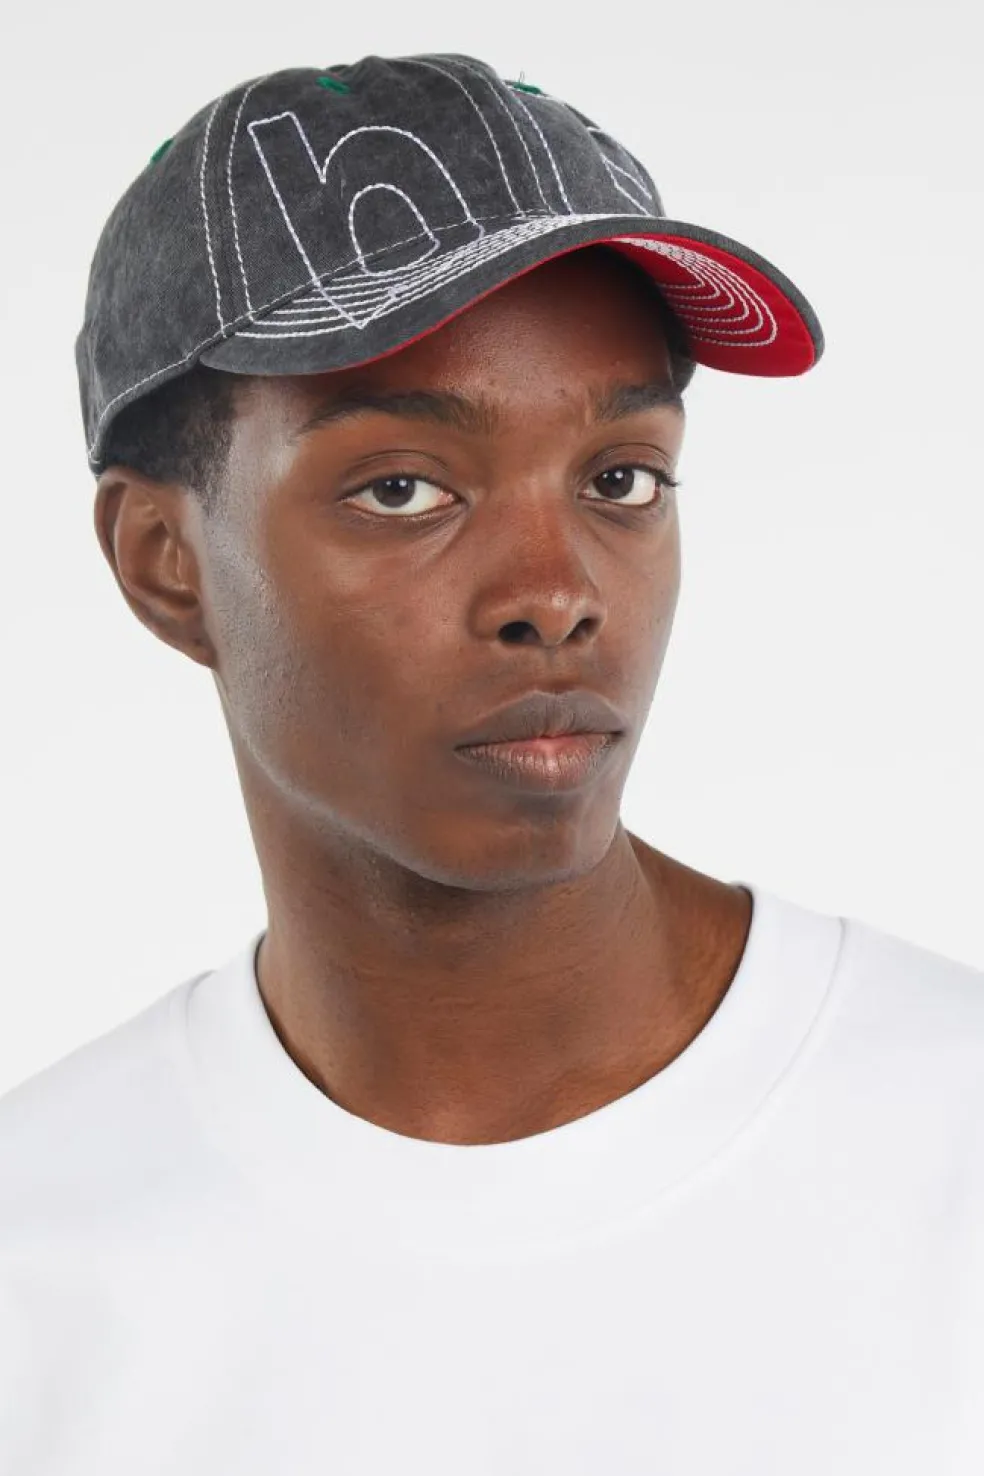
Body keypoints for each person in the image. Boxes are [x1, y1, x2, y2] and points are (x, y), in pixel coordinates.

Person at [2, 52, 981, 1475]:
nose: (556, 593)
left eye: (621, 479)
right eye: (404, 489)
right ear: (164, 563)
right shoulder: (40, 1265)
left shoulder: (953, 1144)